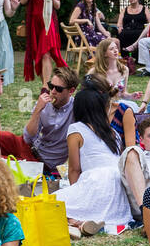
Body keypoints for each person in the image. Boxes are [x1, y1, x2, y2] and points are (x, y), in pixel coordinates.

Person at [56, 83, 134, 237]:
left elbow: (74, 169)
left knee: (49, 202)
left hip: (96, 181)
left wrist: (77, 193)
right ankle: (83, 222)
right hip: (118, 187)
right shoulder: (113, 132)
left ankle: (74, 221)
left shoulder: (76, 129)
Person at [0, 65, 76, 175]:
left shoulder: (76, 109)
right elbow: (27, 137)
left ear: (71, 91)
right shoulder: (44, 103)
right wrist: (38, 109)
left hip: (43, 162)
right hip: (28, 147)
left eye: (58, 89)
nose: (52, 91)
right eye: (51, 86)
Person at [18, 0, 66, 85]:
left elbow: (58, 6)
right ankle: (46, 82)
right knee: (36, 54)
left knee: (46, 53)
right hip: (33, 22)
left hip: (47, 22)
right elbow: (22, 1)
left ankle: (46, 85)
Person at [120, 113, 150, 224]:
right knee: (131, 151)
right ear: (141, 139)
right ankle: (147, 215)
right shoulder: (137, 157)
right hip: (144, 199)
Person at [116, 0, 148, 70]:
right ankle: (125, 58)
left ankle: (139, 59)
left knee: (141, 35)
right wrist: (119, 27)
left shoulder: (144, 9)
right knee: (122, 34)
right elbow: (119, 23)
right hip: (127, 30)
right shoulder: (124, 10)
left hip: (140, 31)